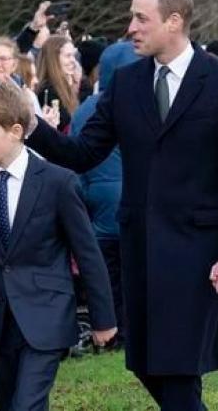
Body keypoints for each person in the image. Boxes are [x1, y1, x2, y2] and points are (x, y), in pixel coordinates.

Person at [26, 0, 218, 410]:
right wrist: (31, 124)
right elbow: (82, 153)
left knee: (178, 365)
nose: (130, 27)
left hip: (198, 253)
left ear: (174, 21)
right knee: (148, 364)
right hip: (139, 249)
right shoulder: (127, 82)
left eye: (140, 18)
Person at [0, 81, 116, 411]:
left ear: (15, 131)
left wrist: (103, 318)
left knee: (26, 405)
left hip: (47, 314)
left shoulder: (58, 181)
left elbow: (86, 252)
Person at [70, 40, 141, 351]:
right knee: (136, 273)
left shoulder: (85, 109)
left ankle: (113, 333)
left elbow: (75, 157)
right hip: (132, 200)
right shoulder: (137, 104)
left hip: (97, 201)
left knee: (106, 274)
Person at [36, 35, 81, 131]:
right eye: (68, 56)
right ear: (54, 59)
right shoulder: (48, 91)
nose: (73, 60)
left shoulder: (65, 87)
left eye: (73, 55)